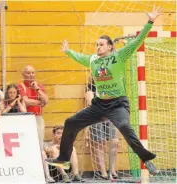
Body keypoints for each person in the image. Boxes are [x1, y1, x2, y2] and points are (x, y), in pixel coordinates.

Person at [46, 6, 163, 176]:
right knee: (70, 122)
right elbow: (80, 57)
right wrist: (67, 51)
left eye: (101, 44)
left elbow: (138, 41)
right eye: (96, 45)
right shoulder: (93, 60)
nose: (97, 47)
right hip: (99, 105)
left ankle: (146, 160)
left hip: (118, 104)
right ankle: (64, 159)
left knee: (124, 126)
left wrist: (150, 22)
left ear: (109, 47)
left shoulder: (119, 56)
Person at [84, 75, 119, 179]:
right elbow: (91, 103)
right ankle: (103, 172)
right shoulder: (90, 90)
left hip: (110, 117)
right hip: (96, 118)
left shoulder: (110, 88)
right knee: (100, 143)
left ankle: (112, 169)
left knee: (115, 142)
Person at [17, 65, 48, 150]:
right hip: (26, 118)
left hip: (38, 117)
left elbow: (46, 100)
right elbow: (26, 101)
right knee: (26, 143)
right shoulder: (20, 86)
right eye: (28, 73)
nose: (31, 75)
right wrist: (40, 103)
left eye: (33, 73)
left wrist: (37, 89)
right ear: (23, 74)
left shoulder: (39, 86)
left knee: (39, 144)